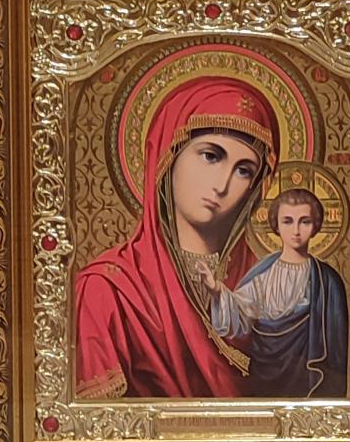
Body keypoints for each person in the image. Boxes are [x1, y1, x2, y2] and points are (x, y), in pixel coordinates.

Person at [75, 75, 280, 399]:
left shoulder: (268, 285)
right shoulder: (109, 289)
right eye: (210, 156)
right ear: (167, 157)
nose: (222, 185)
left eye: (244, 171)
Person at [198, 188, 348, 397]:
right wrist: (216, 289)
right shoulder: (263, 275)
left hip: (307, 380)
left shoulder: (328, 281)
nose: (296, 230)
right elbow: (241, 312)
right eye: (287, 221)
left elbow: (336, 348)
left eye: (304, 221)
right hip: (263, 376)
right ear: (276, 225)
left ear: (315, 225)